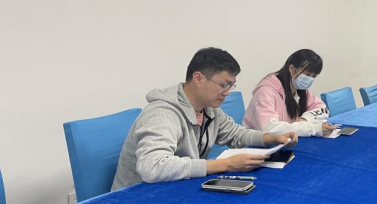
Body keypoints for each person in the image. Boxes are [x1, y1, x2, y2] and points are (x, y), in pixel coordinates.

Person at [112, 48, 297, 190]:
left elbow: (236, 134)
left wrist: (272, 138)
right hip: (136, 200)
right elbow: (152, 167)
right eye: (223, 85)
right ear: (198, 78)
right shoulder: (162, 113)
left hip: (175, 189)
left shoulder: (209, 109)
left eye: (231, 86)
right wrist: (225, 164)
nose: (227, 93)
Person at [243, 49, 335, 137]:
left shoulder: (300, 90)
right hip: (257, 145)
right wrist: (313, 129)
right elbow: (270, 129)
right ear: (291, 68)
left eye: (314, 76)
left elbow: (323, 109)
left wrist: (305, 119)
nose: (310, 79)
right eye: (307, 74)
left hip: (284, 141)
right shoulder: (266, 92)